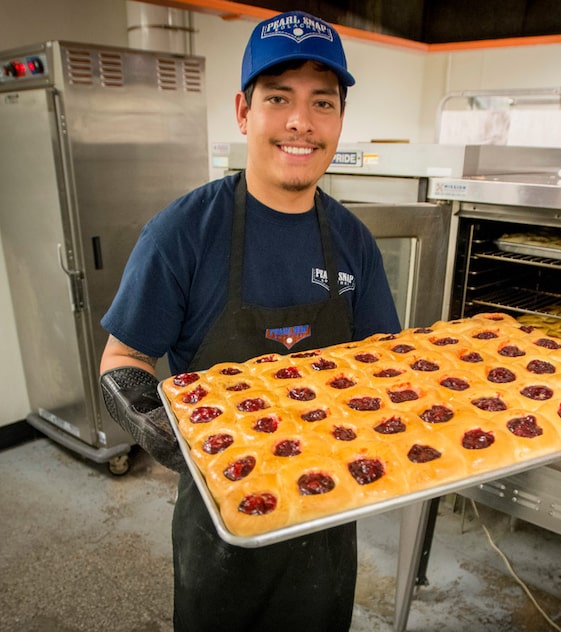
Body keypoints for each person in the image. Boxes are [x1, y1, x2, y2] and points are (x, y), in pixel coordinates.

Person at [99, 10, 401, 631]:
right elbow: (122, 361)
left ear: (340, 120)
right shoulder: (182, 233)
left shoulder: (354, 242)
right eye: (278, 98)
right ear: (243, 111)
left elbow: (386, 367)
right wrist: (184, 444)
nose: (300, 122)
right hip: (221, 520)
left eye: (323, 102)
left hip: (328, 513)